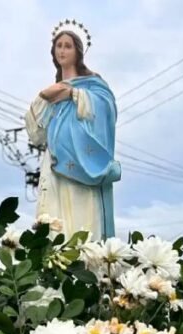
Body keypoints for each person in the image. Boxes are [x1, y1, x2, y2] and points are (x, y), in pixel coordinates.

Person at [25, 19, 120, 240]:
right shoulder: (53, 90)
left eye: (68, 45)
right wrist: (42, 97)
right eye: (59, 46)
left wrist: (74, 95)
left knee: (82, 211)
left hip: (83, 160)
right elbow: (36, 133)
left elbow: (106, 108)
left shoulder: (92, 85)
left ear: (78, 50)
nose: (62, 50)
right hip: (56, 161)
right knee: (55, 214)